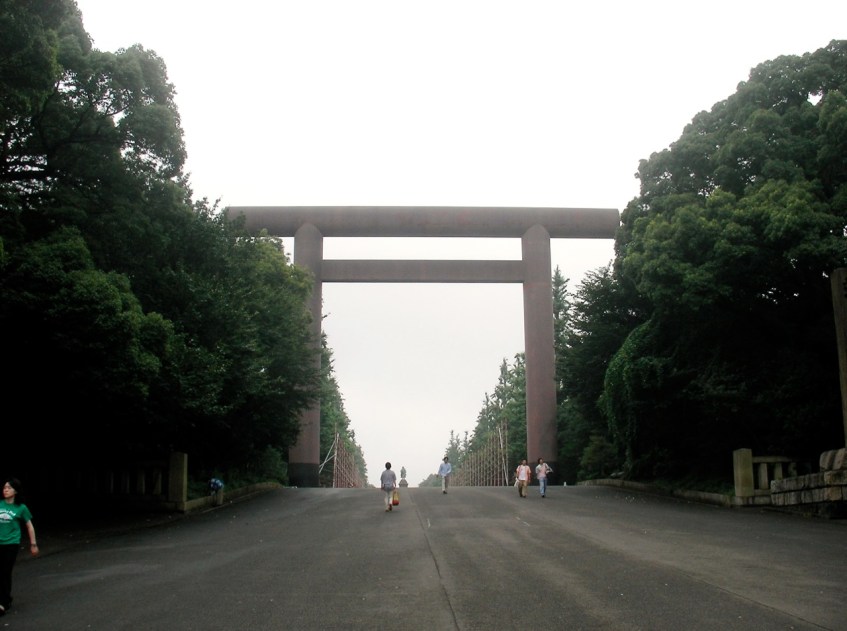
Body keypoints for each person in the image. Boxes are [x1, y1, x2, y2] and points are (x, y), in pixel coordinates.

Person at [0, 478, 38, 616]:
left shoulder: (21, 508)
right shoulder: (0, 505)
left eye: (9, 488)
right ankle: (6, 598)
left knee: (5, 572)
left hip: (11, 544)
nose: (5, 490)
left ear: (15, 491)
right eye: (4, 487)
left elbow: (29, 526)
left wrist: (33, 544)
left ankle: (3, 602)